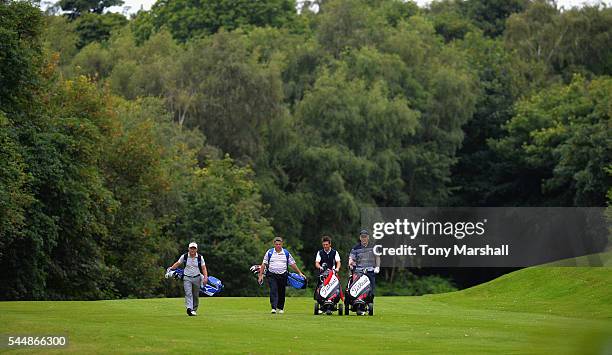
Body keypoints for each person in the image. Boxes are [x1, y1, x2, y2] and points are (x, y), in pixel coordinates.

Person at [257, 236, 305, 314]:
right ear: (274, 244)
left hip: (283, 275)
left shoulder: (286, 253)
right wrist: (260, 275)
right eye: (276, 244)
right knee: (273, 290)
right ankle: (273, 308)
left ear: (282, 244)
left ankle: (281, 308)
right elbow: (264, 264)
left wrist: (299, 272)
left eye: (279, 244)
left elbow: (292, 264)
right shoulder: (270, 252)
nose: (278, 246)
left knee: (281, 291)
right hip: (272, 275)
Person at [169, 242, 208, 316]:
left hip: (197, 278)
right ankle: (189, 309)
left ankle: (194, 309)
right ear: (188, 249)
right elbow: (178, 263)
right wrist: (171, 269)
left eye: (194, 248)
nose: (192, 250)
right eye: (191, 248)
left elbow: (203, 268)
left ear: (196, 249)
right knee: (188, 293)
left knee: (195, 295)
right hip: (187, 277)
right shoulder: (184, 256)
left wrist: (205, 278)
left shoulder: (200, 257)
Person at [348, 229, 380, 296]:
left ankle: (369, 302)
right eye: (362, 237)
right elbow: (351, 258)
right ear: (360, 238)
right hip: (359, 272)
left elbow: (377, 257)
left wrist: (377, 267)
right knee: (357, 289)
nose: (364, 238)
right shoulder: (355, 248)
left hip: (370, 271)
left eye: (365, 237)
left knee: (371, 290)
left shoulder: (373, 247)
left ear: (368, 237)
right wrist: (350, 263)